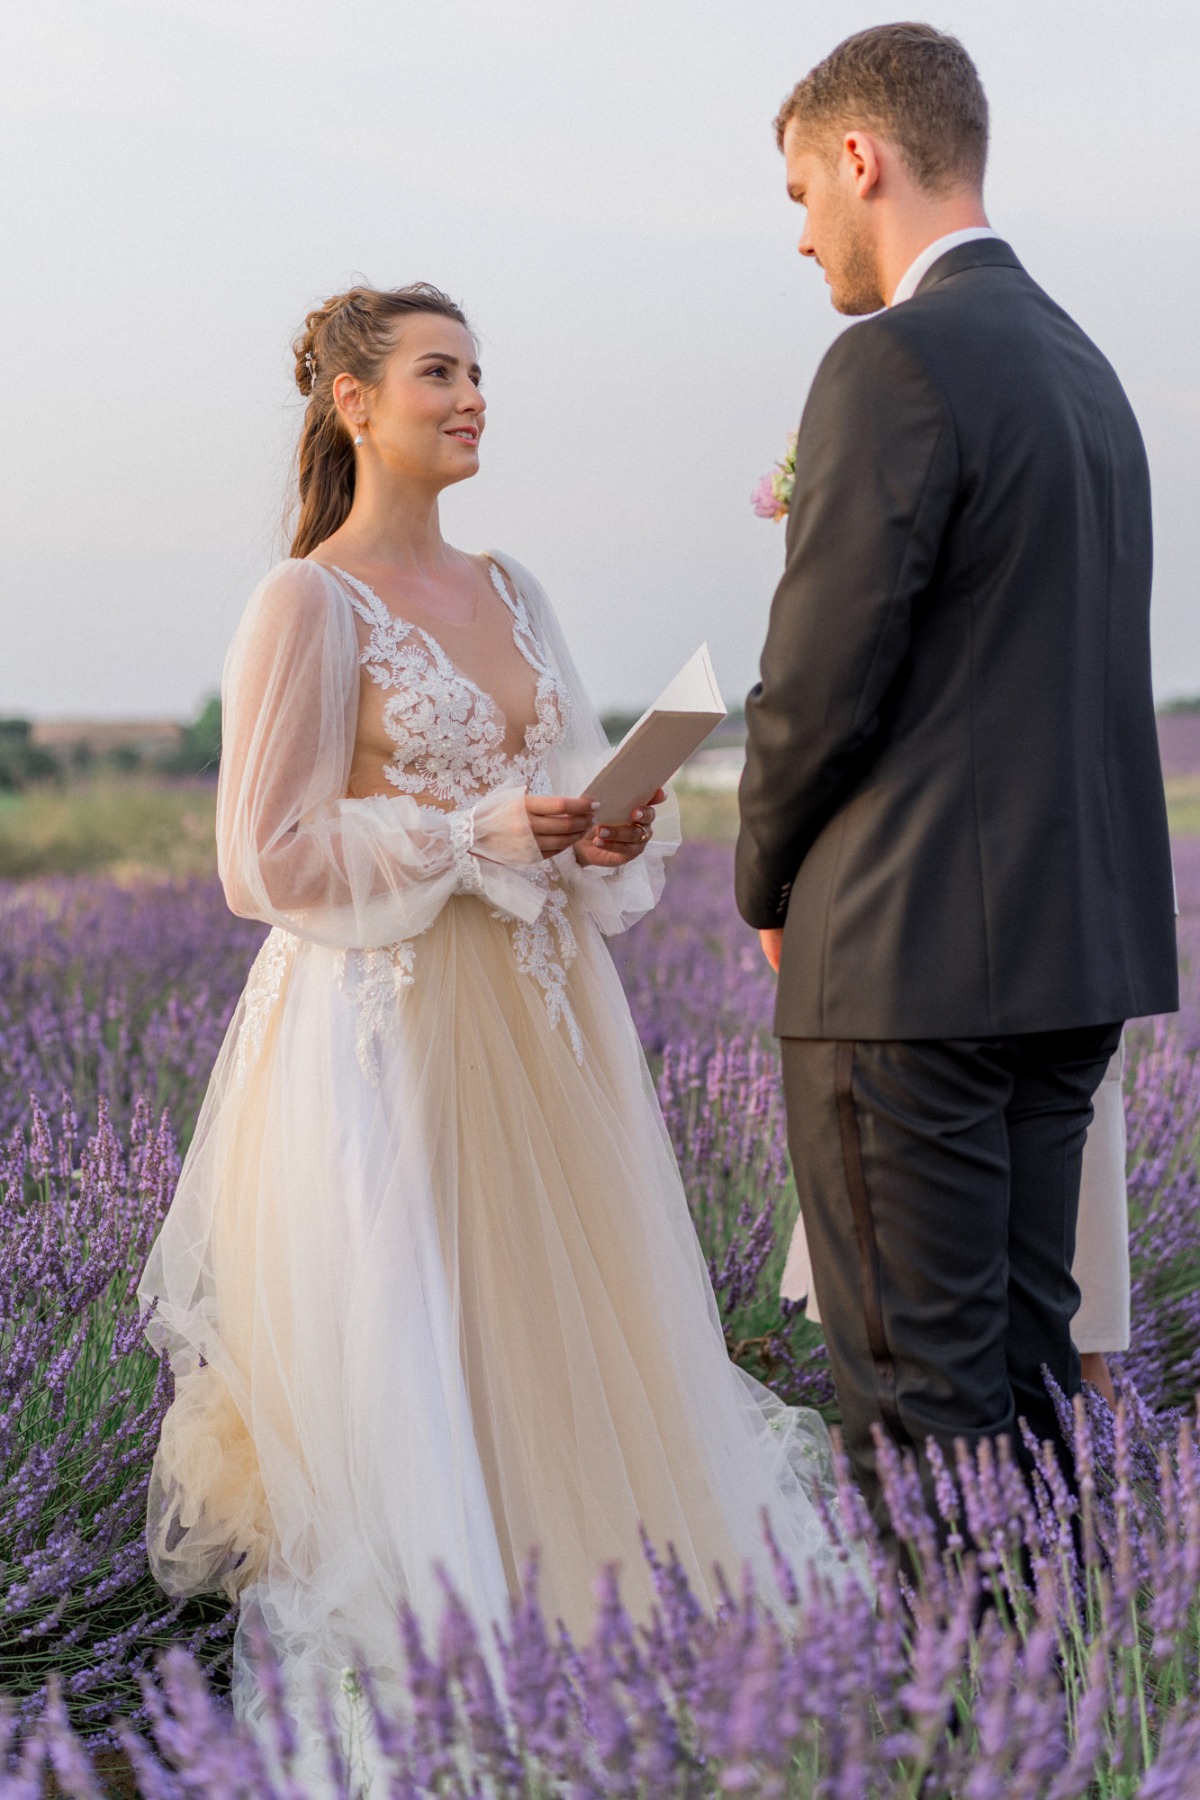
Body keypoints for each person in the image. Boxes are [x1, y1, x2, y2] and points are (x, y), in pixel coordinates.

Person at [138, 282, 842, 1784]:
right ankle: (460, 1691)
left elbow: (567, 780)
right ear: (352, 401)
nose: (470, 398)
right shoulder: (306, 603)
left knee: (574, 1338)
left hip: (545, 1031)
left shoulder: (514, 584)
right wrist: (464, 833)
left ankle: (608, 1653)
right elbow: (259, 861)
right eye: (438, 372)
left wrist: (605, 828)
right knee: (431, 1349)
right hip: (386, 1041)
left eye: (478, 373)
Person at [735, 24, 1177, 1533]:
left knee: (920, 1412)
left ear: (863, 158)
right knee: (1028, 1384)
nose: (803, 236)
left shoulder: (892, 361)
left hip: (909, 971)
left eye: (803, 192)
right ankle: (1051, 1715)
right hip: (1068, 958)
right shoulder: (1085, 366)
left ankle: (954, 1750)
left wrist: (765, 877)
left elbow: (820, 682)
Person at [781, 1032, 1131, 1409]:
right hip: (926, 1033)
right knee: (912, 1333)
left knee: (1067, 1339)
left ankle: (1085, 1461)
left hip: (1042, 1031)